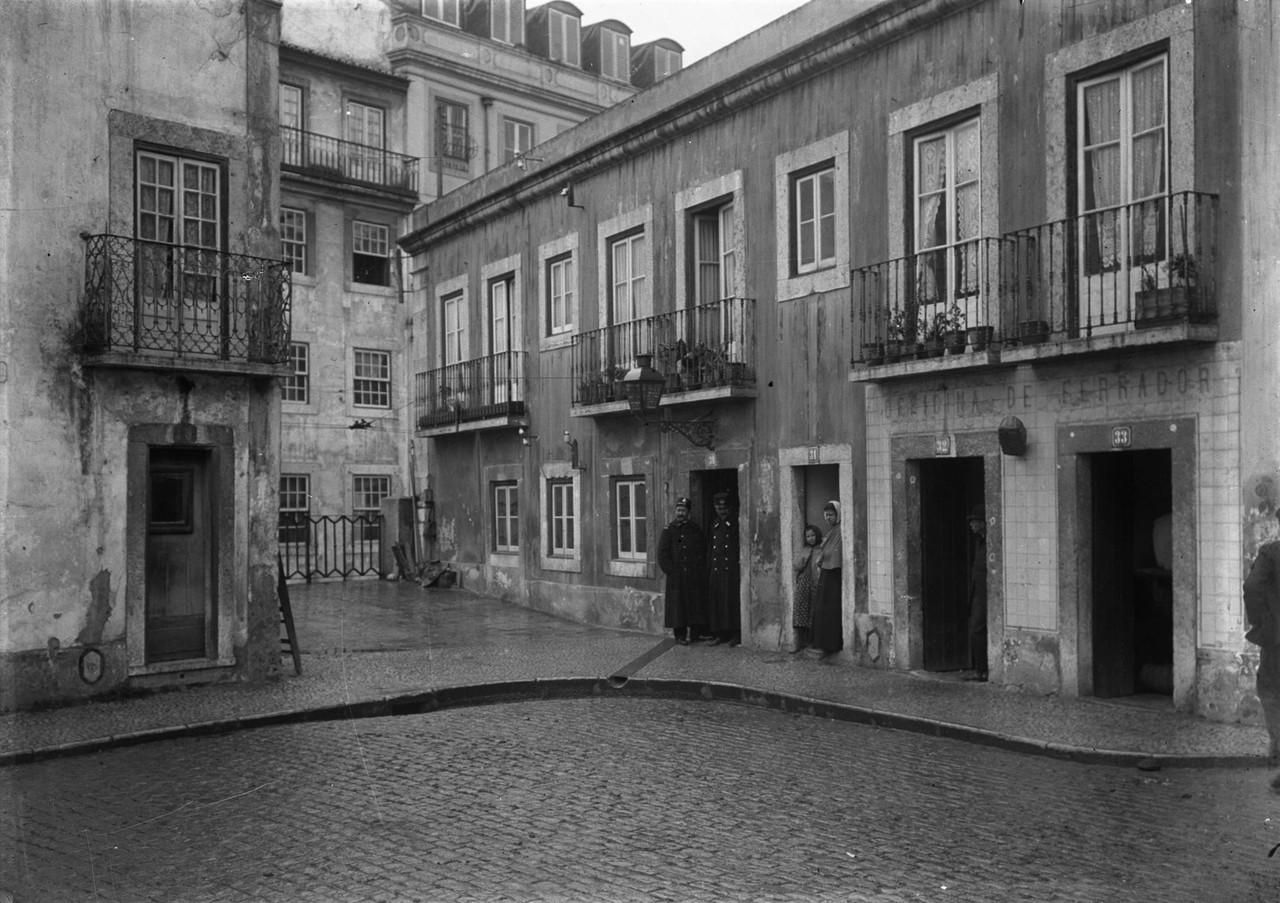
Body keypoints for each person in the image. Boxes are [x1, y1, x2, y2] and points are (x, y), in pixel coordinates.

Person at [1243, 513, 1280, 793]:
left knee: (1272, 693)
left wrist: (1264, 624)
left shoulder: (1271, 553)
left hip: (1278, 644)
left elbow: (1252, 587)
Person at [657, 496, 707, 645]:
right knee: (678, 606)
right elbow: (662, 554)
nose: (680, 513)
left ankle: (696, 634)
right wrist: (671, 571)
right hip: (677, 576)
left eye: (683, 510)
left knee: (694, 604)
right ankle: (680, 636)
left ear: (688, 512)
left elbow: (701, 550)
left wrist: (699, 570)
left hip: (693, 575)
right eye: (678, 510)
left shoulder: (694, 528)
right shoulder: (669, 529)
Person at [706, 491, 741, 646]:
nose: (722, 511)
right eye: (719, 508)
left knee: (731, 602)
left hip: (731, 570)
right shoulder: (714, 525)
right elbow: (711, 548)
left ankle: (735, 634)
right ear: (715, 508)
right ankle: (720, 633)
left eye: (725, 508)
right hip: (717, 570)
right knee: (718, 603)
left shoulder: (736, 523)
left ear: (730, 508)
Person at [810, 501, 843, 656]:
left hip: (834, 573)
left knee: (830, 608)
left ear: (838, 515)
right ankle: (822, 643)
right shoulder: (832, 532)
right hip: (826, 572)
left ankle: (830, 644)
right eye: (826, 515)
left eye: (831, 515)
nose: (828, 518)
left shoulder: (839, 530)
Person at [792, 524, 822, 653]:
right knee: (801, 610)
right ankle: (801, 642)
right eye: (808, 536)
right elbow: (797, 565)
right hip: (804, 584)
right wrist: (805, 556)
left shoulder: (821, 549)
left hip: (816, 584)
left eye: (813, 535)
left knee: (814, 611)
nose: (811, 538)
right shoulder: (805, 550)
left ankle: (814, 641)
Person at [967, 504, 989, 681]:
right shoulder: (979, 541)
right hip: (977, 592)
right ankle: (981, 668)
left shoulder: (989, 541)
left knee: (978, 629)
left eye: (974, 521)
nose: (971, 525)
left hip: (986, 593)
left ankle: (983, 669)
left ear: (982, 523)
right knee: (976, 628)